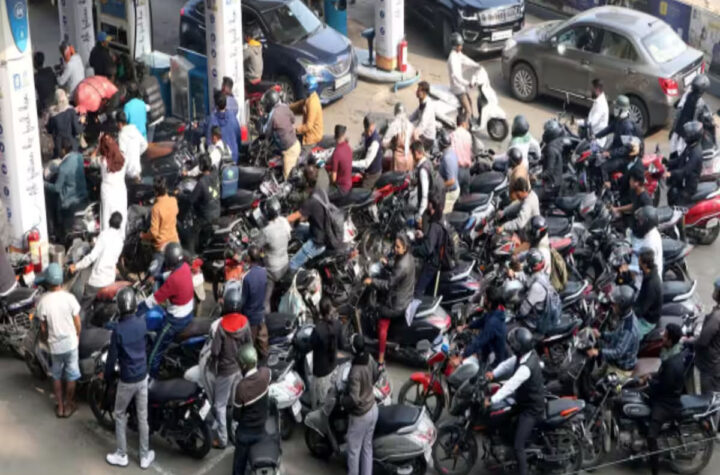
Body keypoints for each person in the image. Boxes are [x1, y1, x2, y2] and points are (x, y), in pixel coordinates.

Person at [103, 287, 155, 469]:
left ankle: (121, 454)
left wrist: (107, 376)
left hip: (127, 380)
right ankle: (144, 456)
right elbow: (147, 344)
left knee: (119, 414)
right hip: (143, 376)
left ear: (119, 306)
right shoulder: (141, 322)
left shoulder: (118, 330)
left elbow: (111, 359)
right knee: (142, 417)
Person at [484, 327, 545, 475]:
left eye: (514, 345)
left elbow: (511, 385)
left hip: (532, 409)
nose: (511, 347)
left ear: (520, 347)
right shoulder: (524, 356)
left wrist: (492, 399)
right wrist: (493, 374)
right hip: (523, 401)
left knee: (519, 446)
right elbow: (508, 364)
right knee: (504, 418)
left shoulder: (526, 368)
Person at [36, 263, 81, 418]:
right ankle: (68, 406)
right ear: (61, 280)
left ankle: (60, 407)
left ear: (48, 281)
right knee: (71, 376)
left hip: (55, 347)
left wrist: (46, 339)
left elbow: (43, 328)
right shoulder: (70, 298)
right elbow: (77, 322)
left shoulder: (43, 301)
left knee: (56, 376)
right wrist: (77, 335)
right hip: (71, 344)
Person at [209, 288, 251, 449]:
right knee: (236, 402)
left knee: (219, 405)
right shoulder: (245, 322)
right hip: (240, 369)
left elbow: (215, 351)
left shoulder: (222, 325)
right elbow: (249, 346)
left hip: (225, 371)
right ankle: (235, 433)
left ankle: (222, 439)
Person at [364, 233, 415, 366]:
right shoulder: (408, 257)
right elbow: (396, 272)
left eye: (398, 247)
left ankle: (381, 359)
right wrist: (387, 264)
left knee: (382, 320)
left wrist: (372, 281)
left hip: (398, 303)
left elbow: (388, 285)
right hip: (406, 294)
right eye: (395, 246)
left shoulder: (402, 265)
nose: (395, 249)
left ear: (405, 248)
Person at [145, 243, 195, 377]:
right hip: (188, 314)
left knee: (154, 353)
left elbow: (155, 299)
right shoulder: (184, 267)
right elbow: (171, 274)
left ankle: (151, 379)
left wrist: (138, 308)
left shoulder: (173, 281)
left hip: (176, 321)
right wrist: (157, 277)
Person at [646, 323, 686, 475]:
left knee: (651, 436)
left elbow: (662, 387)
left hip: (667, 403)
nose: (662, 337)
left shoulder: (672, 364)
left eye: (665, 335)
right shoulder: (671, 353)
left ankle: (655, 471)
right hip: (667, 393)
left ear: (670, 340)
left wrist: (649, 383)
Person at [342, 334, 379, 475]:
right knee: (367, 448)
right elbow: (376, 375)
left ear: (353, 349)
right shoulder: (369, 358)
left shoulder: (355, 371)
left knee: (353, 451)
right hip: (373, 408)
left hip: (361, 415)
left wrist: (342, 401)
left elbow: (354, 399)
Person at [232, 344, 271, 475]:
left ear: (243, 366)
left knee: (238, 466)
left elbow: (236, 415)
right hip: (262, 430)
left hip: (246, 434)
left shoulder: (241, 387)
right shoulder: (265, 374)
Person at [69, 212, 124, 303]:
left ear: (109, 221)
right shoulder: (120, 240)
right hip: (110, 280)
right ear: (120, 224)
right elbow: (114, 259)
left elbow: (91, 257)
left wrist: (76, 266)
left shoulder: (104, 235)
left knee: (84, 307)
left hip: (97, 281)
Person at [587, 285, 640, 380]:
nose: (612, 306)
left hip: (620, 369)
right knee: (593, 377)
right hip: (612, 362)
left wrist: (598, 352)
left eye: (615, 305)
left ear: (623, 306)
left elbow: (618, 352)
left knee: (601, 387)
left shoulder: (628, 329)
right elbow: (616, 335)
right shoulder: (625, 317)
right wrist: (601, 335)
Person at [44, 137, 88, 238]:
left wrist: (44, 184)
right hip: (82, 196)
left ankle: (57, 232)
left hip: (68, 201)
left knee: (52, 200)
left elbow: (57, 188)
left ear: (64, 150)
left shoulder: (63, 168)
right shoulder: (79, 157)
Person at [596, 95, 644, 185]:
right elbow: (608, 129)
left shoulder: (627, 127)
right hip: (617, 153)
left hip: (624, 158)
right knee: (598, 158)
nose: (615, 109)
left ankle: (606, 189)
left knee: (604, 167)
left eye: (617, 108)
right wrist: (595, 136)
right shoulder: (618, 121)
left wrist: (610, 153)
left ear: (622, 110)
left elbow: (627, 148)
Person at [287, 178, 329, 272]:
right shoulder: (321, 193)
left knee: (292, 264)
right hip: (321, 233)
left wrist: (279, 221)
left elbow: (293, 217)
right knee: (297, 229)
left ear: (307, 185)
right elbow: (304, 217)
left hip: (317, 242)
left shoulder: (311, 201)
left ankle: (290, 279)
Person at [459, 286, 507, 367]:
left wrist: (462, 356)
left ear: (490, 303)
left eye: (485, 298)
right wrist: (467, 326)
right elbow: (482, 320)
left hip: (493, 360)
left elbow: (479, 341)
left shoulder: (493, 323)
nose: (484, 300)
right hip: (488, 347)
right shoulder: (496, 311)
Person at [310, 297, 344, 408]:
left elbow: (310, 345)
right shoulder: (338, 324)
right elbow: (342, 345)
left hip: (321, 372)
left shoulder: (317, 329)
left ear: (320, 311)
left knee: (319, 405)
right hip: (333, 367)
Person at [517, 250, 561, 334]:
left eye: (527, 263)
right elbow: (527, 281)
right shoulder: (543, 276)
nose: (525, 265)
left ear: (531, 267)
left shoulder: (536, 287)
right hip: (541, 310)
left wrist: (515, 314)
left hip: (534, 322)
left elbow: (523, 312)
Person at [92, 134, 128, 232]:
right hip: (120, 191)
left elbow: (91, 159)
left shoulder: (103, 161)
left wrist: (98, 146)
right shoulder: (124, 157)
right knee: (121, 215)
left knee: (107, 217)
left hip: (107, 193)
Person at [262, 197, 292, 313]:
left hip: (272, 272)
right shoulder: (284, 221)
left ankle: (266, 320)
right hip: (285, 264)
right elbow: (289, 236)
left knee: (264, 301)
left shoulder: (266, 231)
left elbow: (255, 246)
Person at [262, 89, 301, 178]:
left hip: (290, 151)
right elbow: (293, 119)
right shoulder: (284, 107)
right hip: (295, 143)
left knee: (288, 178)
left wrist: (263, 119)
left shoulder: (273, 116)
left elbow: (266, 132)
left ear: (270, 103)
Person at [670, 74, 711, 157]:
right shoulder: (699, 102)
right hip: (684, 134)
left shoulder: (687, 96)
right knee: (679, 155)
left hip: (680, 132)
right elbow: (706, 119)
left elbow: (677, 107)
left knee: (675, 153)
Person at [241, 245, 269, 361]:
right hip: (261, 313)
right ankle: (265, 361)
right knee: (263, 341)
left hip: (250, 316)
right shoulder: (264, 272)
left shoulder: (246, 277)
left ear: (248, 258)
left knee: (249, 346)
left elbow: (243, 299)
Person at [188, 153, 221, 251]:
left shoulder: (202, 182)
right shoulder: (215, 173)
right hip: (217, 210)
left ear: (201, 166)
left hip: (206, 216)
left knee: (193, 228)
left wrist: (181, 194)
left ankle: (196, 250)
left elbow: (191, 199)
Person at [666, 121, 704, 206]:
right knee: (672, 193)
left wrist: (671, 173)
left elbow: (686, 171)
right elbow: (680, 159)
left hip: (689, 187)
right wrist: (666, 162)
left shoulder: (696, 153)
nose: (685, 136)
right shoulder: (691, 146)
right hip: (683, 182)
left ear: (693, 136)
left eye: (688, 135)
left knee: (679, 205)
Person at [694, 277, 720, 395]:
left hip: (711, 366)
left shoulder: (716, 317)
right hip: (715, 363)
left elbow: (702, 341)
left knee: (709, 397)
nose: (713, 292)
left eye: (716, 290)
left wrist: (690, 341)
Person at [414, 199, 444, 298]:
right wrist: (424, 236)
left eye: (430, 209)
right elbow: (434, 240)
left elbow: (427, 249)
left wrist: (413, 250)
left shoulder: (434, 226)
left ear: (434, 210)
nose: (428, 212)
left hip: (432, 264)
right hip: (437, 260)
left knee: (418, 290)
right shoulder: (441, 220)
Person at [141, 177, 180, 252]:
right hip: (175, 240)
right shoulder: (173, 201)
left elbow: (154, 233)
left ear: (155, 192)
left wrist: (143, 235)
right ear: (166, 189)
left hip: (162, 245)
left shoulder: (156, 208)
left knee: (142, 243)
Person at [634, 248, 663, 338]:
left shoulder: (651, 285)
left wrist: (628, 313)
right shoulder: (649, 274)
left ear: (645, 264)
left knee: (632, 336)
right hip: (644, 311)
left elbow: (642, 309)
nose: (638, 263)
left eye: (639, 261)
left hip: (647, 320)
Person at [47, 88, 84, 158]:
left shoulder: (52, 113)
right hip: (71, 146)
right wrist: (82, 123)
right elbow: (78, 130)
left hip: (59, 147)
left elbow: (49, 130)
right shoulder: (71, 111)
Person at [447, 33, 476, 118]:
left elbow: (465, 60)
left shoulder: (458, 54)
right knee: (468, 111)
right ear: (455, 46)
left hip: (461, 87)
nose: (461, 47)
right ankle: (464, 125)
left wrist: (477, 65)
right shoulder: (452, 59)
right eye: (460, 45)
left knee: (470, 101)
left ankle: (470, 121)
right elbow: (456, 77)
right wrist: (468, 83)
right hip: (457, 89)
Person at [207, 93, 243, 163]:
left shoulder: (213, 119)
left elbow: (209, 142)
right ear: (226, 104)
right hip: (233, 157)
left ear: (216, 106)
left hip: (219, 159)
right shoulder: (232, 117)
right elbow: (238, 136)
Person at [630, 206, 663, 279]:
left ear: (647, 224)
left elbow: (638, 270)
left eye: (640, 221)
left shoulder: (649, 245)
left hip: (644, 279)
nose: (638, 222)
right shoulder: (648, 231)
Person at [291, 75, 323, 148]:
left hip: (311, 138)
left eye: (304, 86)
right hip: (307, 133)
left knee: (299, 154)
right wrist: (288, 107)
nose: (302, 87)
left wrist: (296, 130)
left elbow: (308, 126)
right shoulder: (310, 97)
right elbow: (300, 105)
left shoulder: (312, 104)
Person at [353, 115, 384, 189]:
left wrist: (351, 163)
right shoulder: (367, 135)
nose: (369, 133)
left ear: (374, 125)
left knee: (361, 193)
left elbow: (366, 163)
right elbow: (363, 147)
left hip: (372, 175)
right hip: (367, 170)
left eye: (370, 131)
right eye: (367, 130)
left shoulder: (374, 142)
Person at [117, 110, 148, 182]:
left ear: (119, 123)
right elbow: (145, 145)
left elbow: (122, 154)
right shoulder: (135, 130)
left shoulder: (122, 134)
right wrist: (136, 153)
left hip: (127, 172)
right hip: (137, 169)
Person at [383, 103, 414, 172]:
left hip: (399, 161)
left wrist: (391, 145)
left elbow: (384, 143)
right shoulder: (411, 125)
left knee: (396, 178)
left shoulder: (394, 125)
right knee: (408, 178)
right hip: (409, 159)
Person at [539, 119, 565, 202]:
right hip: (555, 183)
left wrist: (536, 177)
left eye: (546, 131)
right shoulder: (555, 144)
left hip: (551, 187)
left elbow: (549, 172)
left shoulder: (551, 149)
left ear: (550, 133)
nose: (544, 133)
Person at [412, 140, 433, 226]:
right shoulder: (428, 161)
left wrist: (420, 214)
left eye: (412, 154)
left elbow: (425, 194)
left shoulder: (423, 170)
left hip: (426, 208)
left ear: (416, 153)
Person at [438, 129, 460, 213]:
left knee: (443, 214)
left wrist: (439, 186)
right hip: (451, 190)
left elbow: (451, 181)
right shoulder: (450, 152)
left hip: (450, 192)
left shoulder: (447, 158)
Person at [409, 81, 436, 149]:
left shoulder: (428, 106)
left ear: (424, 93)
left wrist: (414, 132)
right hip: (421, 134)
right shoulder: (422, 103)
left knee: (409, 146)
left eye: (419, 90)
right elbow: (413, 116)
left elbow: (423, 125)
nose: (417, 92)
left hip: (427, 138)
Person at [329, 124, 353, 195]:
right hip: (349, 184)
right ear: (344, 135)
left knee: (324, 196)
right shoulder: (348, 148)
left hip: (341, 188)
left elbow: (333, 179)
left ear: (335, 136)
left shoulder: (336, 153)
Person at [453, 112, 473, 194]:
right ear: (463, 123)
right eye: (467, 123)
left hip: (458, 170)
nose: (468, 125)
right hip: (467, 170)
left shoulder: (453, 135)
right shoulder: (468, 135)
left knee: (455, 195)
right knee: (466, 196)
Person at [586, 79, 609, 146]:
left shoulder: (600, 104)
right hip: (592, 135)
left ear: (597, 90)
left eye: (592, 89)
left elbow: (591, 123)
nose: (591, 91)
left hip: (596, 142)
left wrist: (577, 122)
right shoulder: (599, 100)